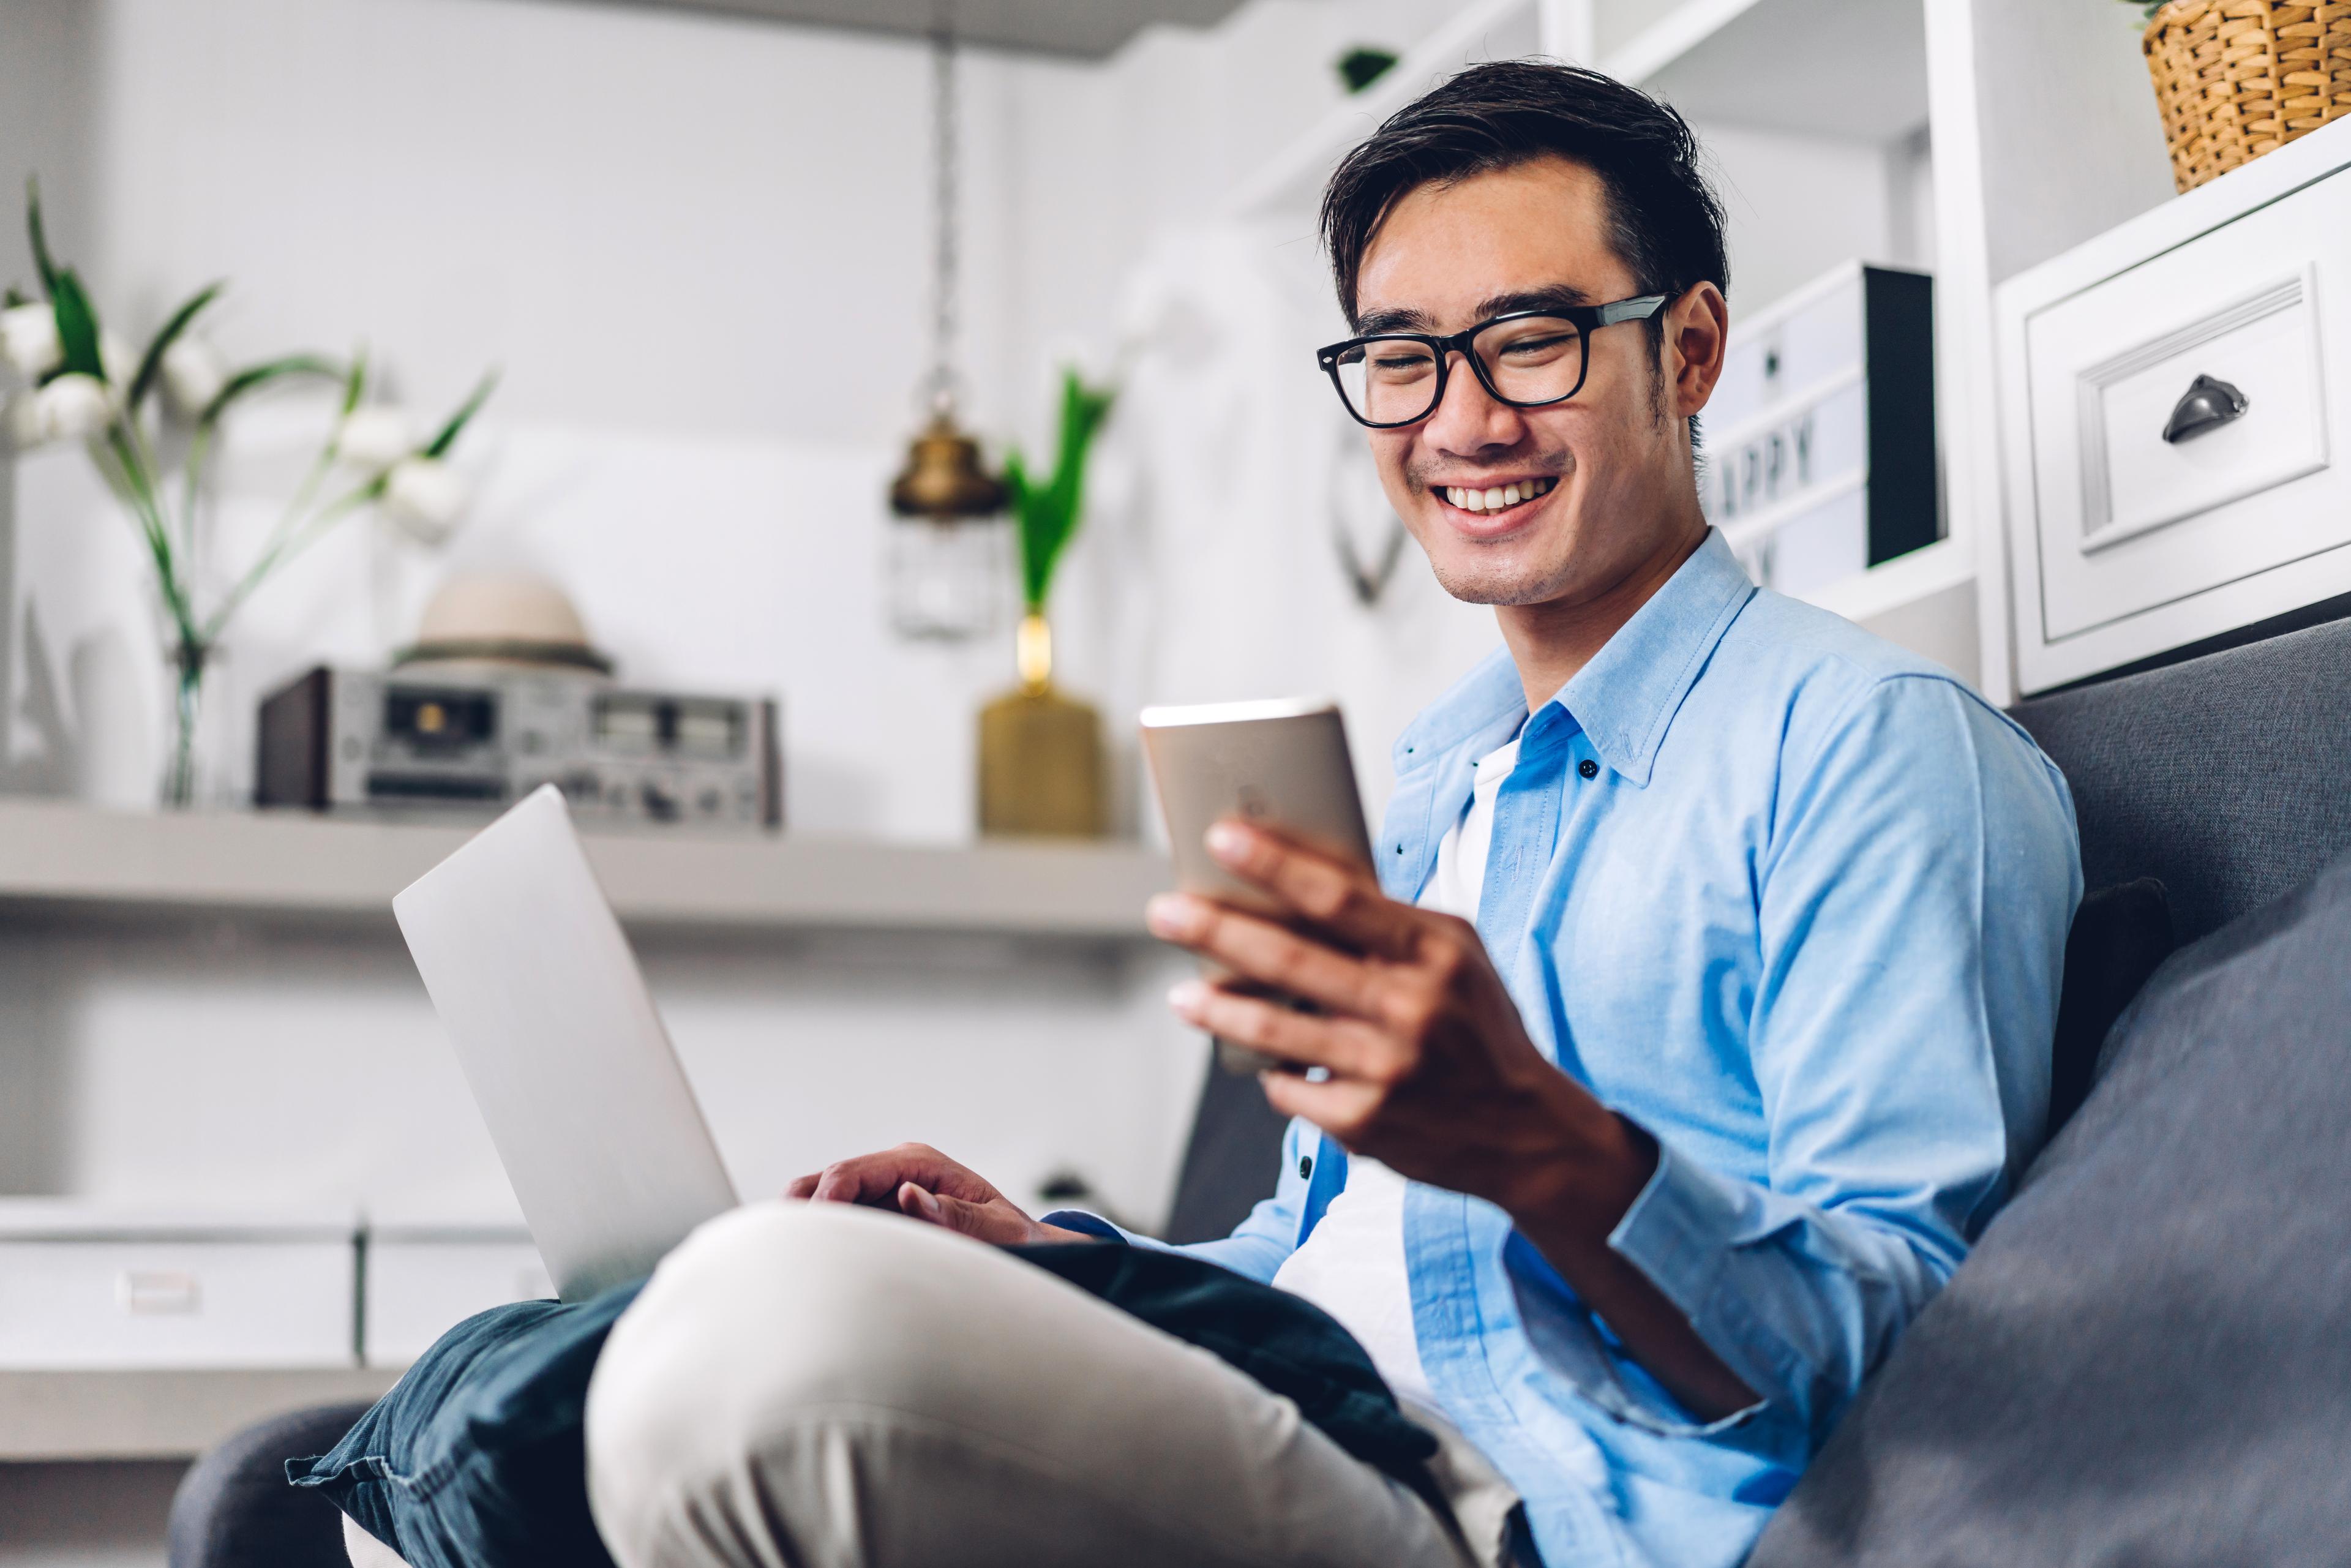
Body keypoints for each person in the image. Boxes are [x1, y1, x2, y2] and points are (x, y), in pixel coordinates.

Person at [580, 60, 2080, 1568]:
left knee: (748, 1347)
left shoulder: (1875, 748)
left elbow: (1902, 1357)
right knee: (611, 1343)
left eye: (1533, 342)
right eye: (1404, 359)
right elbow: (1320, 1260)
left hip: (1513, 1511)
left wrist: (1540, 1139)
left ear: (1689, 353)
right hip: (1309, 1413)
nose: (1464, 420)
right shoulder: (1441, 781)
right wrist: (1057, 1266)